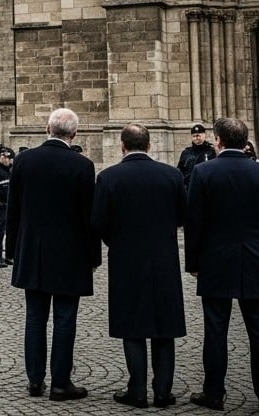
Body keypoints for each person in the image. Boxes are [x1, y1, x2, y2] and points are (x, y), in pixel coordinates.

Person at [185, 117, 259, 414]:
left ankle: (214, 392)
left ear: (219, 141)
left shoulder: (203, 172)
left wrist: (193, 262)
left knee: (215, 329)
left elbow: (194, 222)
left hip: (216, 259)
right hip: (255, 259)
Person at [6, 108, 99, 402]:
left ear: (47, 128)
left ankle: (35, 381)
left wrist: (12, 251)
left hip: (32, 251)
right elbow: (89, 218)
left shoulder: (24, 160)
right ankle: (60, 383)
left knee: (34, 317)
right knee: (64, 319)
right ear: (74, 134)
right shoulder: (82, 165)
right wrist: (93, 257)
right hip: (70, 255)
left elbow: (13, 210)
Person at [91, 124, 185, 409]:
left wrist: (117, 241)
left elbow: (98, 223)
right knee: (164, 325)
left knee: (132, 325)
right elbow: (182, 216)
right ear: (150, 145)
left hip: (125, 259)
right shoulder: (172, 175)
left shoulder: (108, 178)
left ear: (122, 146)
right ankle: (163, 391)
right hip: (164, 258)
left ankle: (138, 390)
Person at [178, 124, 215, 188]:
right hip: (190, 186)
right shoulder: (186, 152)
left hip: (207, 186)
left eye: (198, 135)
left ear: (204, 135)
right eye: (194, 136)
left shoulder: (211, 151)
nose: (196, 138)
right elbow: (180, 171)